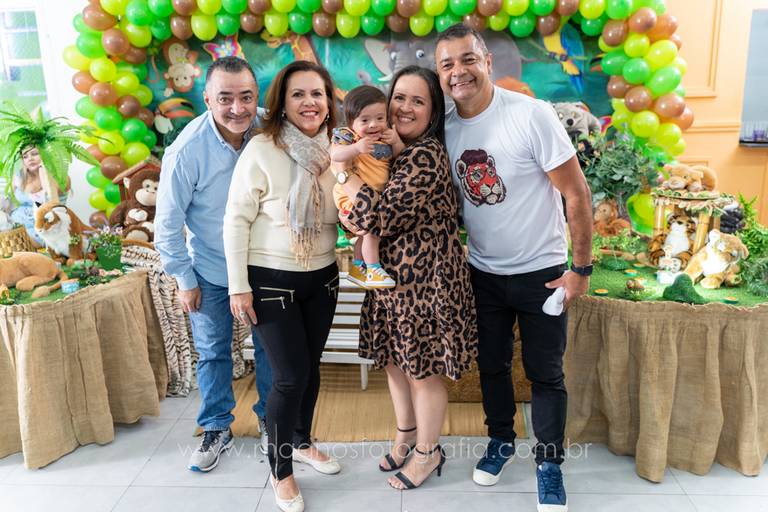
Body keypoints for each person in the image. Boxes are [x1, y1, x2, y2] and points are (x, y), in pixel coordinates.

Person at [435, 25, 594, 511]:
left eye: (467, 59)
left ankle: (549, 465)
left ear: (487, 62)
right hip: (482, 274)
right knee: (492, 366)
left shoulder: (530, 114)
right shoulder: (445, 126)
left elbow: (576, 193)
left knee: (545, 373)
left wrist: (581, 269)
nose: (458, 72)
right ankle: (501, 439)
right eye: (446, 65)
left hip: (542, 272)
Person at [336, 66, 478, 491]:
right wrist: (349, 206)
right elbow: (356, 216)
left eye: (418, 100)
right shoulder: (389, 151)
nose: (405, 107)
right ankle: (406, 437)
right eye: (399, 97)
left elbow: (378, 216)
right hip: (390, 285)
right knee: (395, 365)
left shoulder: (425, 155)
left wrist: (342, 178)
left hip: (425, 287)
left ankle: (428, 451)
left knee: (422, 372)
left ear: (433, 110)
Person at [224, 60, 342, 512]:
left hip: (324, 276)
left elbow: (352, 207)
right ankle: (281, 469)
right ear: (282, 103)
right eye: (298, 94)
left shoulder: (339, 149)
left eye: (317, 93)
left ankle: (303, 441)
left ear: (329, 102)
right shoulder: (262, 148)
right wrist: (238, 287)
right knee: (290, 377)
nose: (309, 102)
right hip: (270, 280)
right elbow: (236, 220)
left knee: (310, 368)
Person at [154, 56, 273, 473]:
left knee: (270, 350)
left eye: (246, 97)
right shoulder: (186, 151)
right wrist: (185, 279)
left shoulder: (271, 127)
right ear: (207, 99)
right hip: (211, 269)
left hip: (265, 266)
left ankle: (271, 420)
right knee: (213, 352)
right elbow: (167, 225)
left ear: (257, 96)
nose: (238, 108)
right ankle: (217, 427)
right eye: (225, 99)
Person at [330, 85, 403, 289]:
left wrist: (396, 142)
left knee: (364, 234)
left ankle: (357, 267)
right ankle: (373, 268)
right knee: (372, 230)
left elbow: (401, 157)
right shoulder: (349, 136)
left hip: (372, 195)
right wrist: (356, 148)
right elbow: (335, 155)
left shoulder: (386, 136)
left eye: (380, 118)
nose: (373, 125)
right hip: (351, 195)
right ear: (351, 122)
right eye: (365, 120)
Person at [10, 146, 70, 247]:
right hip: (15, 225)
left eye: (35, 154)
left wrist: (44, 170)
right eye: (25, 156)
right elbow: (8, 203)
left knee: (14, 246)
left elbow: (53, 204)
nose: (30, 159)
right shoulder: (19, 176)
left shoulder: (60, 178)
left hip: (42, 230)